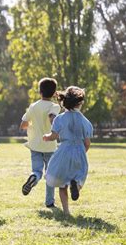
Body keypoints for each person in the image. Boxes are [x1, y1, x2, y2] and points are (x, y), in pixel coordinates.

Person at [43, 86, 93, 215]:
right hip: (79, 151)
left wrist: (47, 137)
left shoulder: (59, 118)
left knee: (62, 183)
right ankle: (75, 186)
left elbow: (53, 136)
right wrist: (82, 152)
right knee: (79, 177)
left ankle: (66, 211)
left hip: (64, 151)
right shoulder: (85, 121)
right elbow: (87, 143)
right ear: (80, 103)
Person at [20, 78, 61, 208]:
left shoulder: (33, 106)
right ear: (54, 92)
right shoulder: (55, 106)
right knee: (50, 174)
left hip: (35, 145)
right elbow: (52, 118)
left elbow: (23, 125)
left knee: (37, 170)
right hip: (49, 145)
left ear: (40, 92)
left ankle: (33, 177)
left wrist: (33, 125)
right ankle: (49, 202)